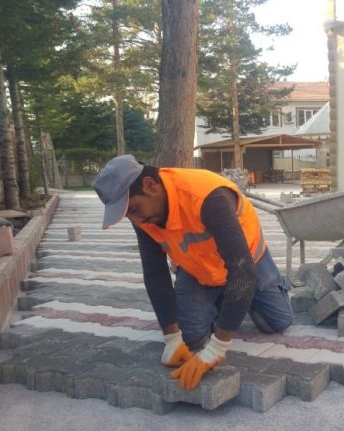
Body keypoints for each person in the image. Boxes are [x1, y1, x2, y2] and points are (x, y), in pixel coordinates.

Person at [92, 154, 293, 389]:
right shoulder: (144, 217)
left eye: (133, 209)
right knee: (191, 338)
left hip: (248, 262)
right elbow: (155, 273)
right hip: (199, 270)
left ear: (150, 185)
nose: (136, 221)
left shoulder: (207, 197)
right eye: (128, 215)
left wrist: (217, 349)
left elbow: (243, 270)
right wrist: (171, 338)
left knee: (277, 323)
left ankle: (258, 290)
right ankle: (231, 298)